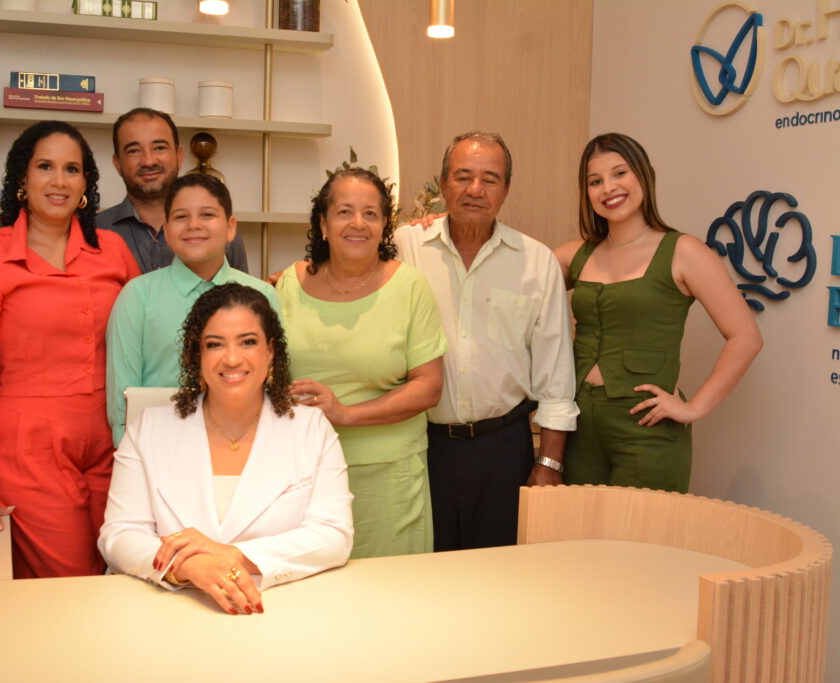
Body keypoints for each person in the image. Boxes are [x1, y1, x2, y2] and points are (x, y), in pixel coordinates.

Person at [0, 121, 140, 578]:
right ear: (22, 177)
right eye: (45, 167)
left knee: (127, 571)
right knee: (69, 581)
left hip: (115, 440)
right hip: (27, 447)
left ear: (86, 184)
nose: (59, 181)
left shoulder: (113, 250)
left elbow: (143, 337)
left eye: (72, 169)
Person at [99, 283, 353, 614]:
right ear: (197, 354)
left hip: (279, 608)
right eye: (215, 344)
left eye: (248, 342)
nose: (232, 359)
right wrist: (186, 567)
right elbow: (119, 535)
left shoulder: (310, 428)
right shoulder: (149, 428)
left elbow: (334, 536)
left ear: (270, 351)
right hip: (171, 608)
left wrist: (231, 555)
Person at [393, 132, 578, 551]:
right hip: (421, 446)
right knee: (422, 571)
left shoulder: (536, 262)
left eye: (490, 179)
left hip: (503, 449)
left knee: (500, 573)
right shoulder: (406, 247)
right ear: (443, 184)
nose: (475, 189)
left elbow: (555, 376)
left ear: (506, 189)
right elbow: (349, 274)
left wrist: (549, 463)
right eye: (463, 177)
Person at [554, 133, 762, 492]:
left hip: (646, 433)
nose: (608, 188)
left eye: (620, 173)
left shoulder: (684, 251)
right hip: (579, 428)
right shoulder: (577, 254)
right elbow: (513, 284)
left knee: (640, 530)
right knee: (577, 528)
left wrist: (693, 408)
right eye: (595, 181)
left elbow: (746, 338)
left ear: (644, 175)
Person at [275, 168, 447, 559]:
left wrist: (346, 414)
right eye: (344, 212)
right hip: (301, 473)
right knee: (312, 586)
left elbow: (429, 387)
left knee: (387, 589)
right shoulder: (288, 284)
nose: (358, 223)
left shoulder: (410, 287)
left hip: (388, 475)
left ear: (384, 225)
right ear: (323, 223)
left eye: (370, 213)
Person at [106, 173, 278, 445]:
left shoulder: (263, 295)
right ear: (166, 230)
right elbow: (121, 399)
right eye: (181, 217)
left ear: (230, 227)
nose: (194, 225)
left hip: (245, 447)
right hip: (159, 448)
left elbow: (274, 384)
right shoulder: (138, 296)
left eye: (207, 215)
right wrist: (130, 453)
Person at [97, 107, 248, 273]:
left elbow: (241, 288)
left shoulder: (219, 228)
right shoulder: (94, 230)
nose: (148, 161)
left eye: (159, 148)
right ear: (117, 163)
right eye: (133, 151)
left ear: (179, 156)